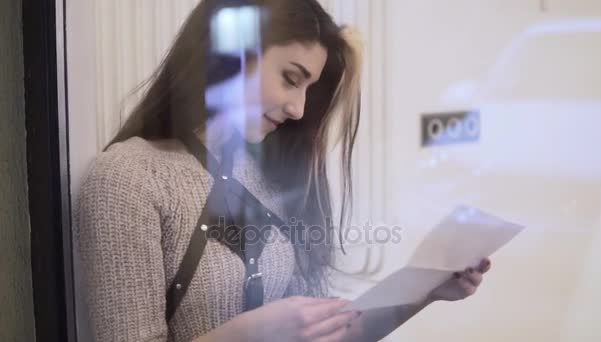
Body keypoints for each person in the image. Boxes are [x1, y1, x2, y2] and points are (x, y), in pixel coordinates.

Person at [75, 0, 492, 341]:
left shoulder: (271, 179)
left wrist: (424, 291)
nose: (299, 109)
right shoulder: (127, 179)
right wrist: (248, 335)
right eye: (291, 79)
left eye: (308, 88)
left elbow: (328, 332)